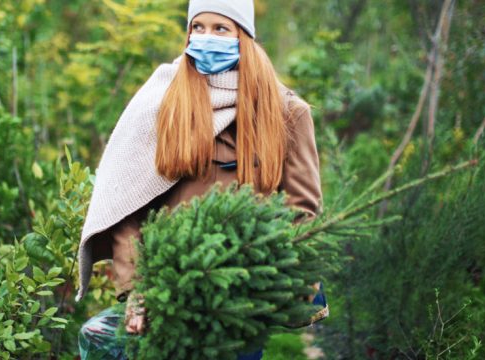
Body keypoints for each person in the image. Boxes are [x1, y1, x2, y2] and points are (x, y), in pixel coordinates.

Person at [76, 0, 323, 358]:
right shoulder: (163, 101)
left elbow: (301, 211)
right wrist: (136, 290)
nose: (206, 37)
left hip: (239, 305)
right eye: (198, 27)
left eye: (221, 29)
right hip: (166, 297)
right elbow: (126, 206)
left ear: (244, 36)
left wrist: (272, 289)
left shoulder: (286, 112)